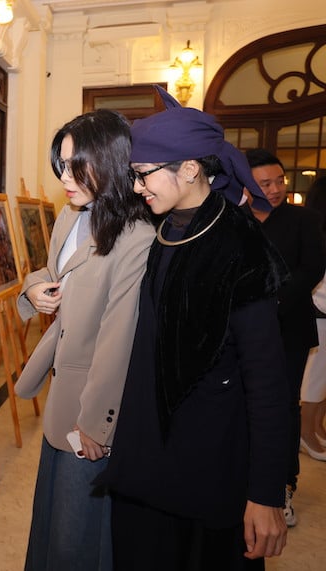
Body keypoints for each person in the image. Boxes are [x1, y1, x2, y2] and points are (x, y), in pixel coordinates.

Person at [100, 87, 290, 569]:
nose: (137, 187)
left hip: (206, 465)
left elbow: (267, 381)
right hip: (146, 455)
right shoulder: (165, 225)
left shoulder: (239, 245)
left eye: (143, 176)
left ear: (188, 169)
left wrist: (266, 492)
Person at [14, 109, 154, 570]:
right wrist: (34, 288)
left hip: (91, 402)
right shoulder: (69, 217)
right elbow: (53, 273)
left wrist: (98, 422)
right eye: (63, 164)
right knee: (52, 520)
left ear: (112, 162)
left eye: (77, 165)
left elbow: (120, 338)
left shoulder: (136, 236)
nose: (65, 177)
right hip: (62, 389)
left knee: (80, 532)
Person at [246, 148, 326, 525]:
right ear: (247, 185)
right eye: (265, 183)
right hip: (242, 332)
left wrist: (271, 302)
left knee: (283, 407)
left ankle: (283, 486)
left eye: (279, 180)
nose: (275, 189)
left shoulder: (303, 219)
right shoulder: (234, 220)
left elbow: (311, 268)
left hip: (288, 330)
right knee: (244, 405)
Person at [300, 176, 326, 459]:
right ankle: (306, 433)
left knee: (322, 378)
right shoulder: (315, 231)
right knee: (314, 380)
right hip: (320, 314)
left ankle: (315, 428)